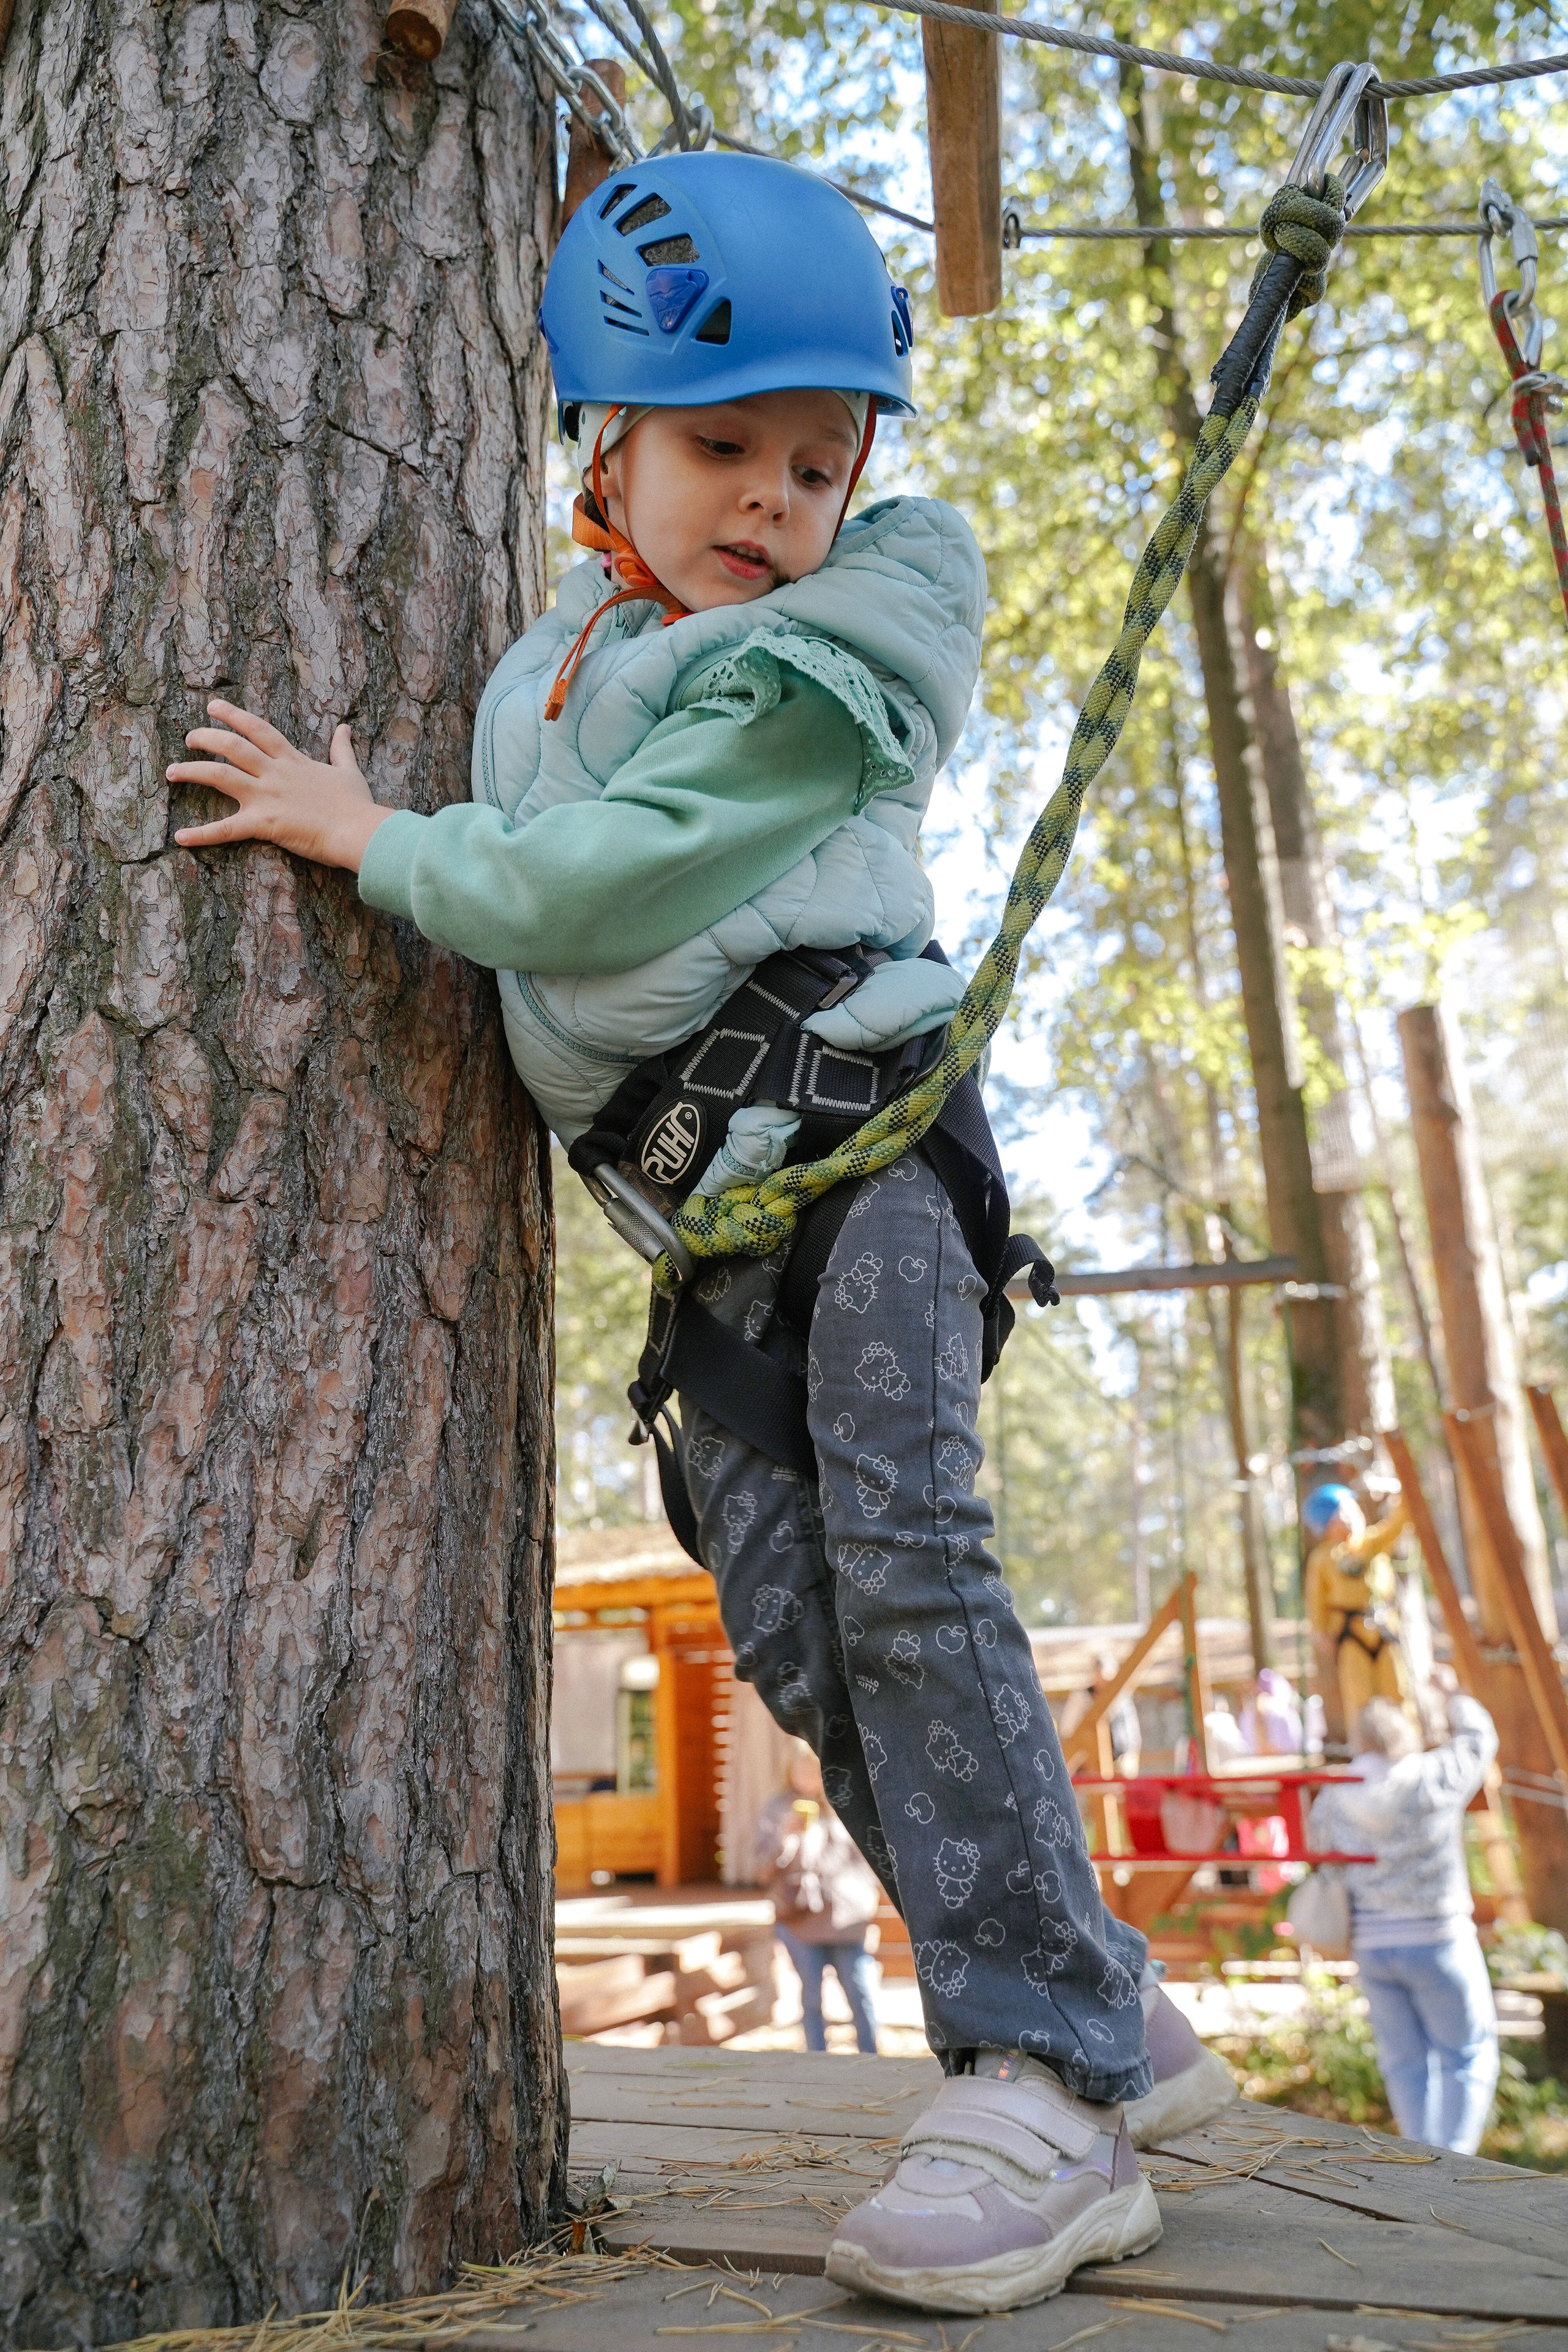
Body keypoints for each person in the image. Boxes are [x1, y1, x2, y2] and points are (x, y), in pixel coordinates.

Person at [168, 150, 1234, 2315]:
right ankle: (1102, 1995)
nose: (774, 500)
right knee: (801, 1633)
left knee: (915, 1571)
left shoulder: (818, 666)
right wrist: (437, 801)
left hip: (864, 1173)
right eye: (723, 447)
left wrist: (374, 833)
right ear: (606, 451)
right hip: (719, 1234)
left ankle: (1042, 2072)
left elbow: (590, 895)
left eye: (817, 464)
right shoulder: (576, 660)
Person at [1310, 1690, 1501, 2153]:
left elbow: (1326, 1864)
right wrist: (1454, 1697)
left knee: (1404, 2062)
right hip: (1438, 1936)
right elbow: (1479, 1739)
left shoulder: (1338, 1795)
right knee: (1468, 2054)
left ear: (1359, 1741)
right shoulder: (1433, 1776)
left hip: (1373, 1943)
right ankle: (1454, 2157)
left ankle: (1421, 2155)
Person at [756, 1742, 883, 2052]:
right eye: (801, 1769)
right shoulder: (778, 1810)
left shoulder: (846, 1805)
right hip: (801, 1920)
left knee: (859, 1993)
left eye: (814, 1768)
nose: (808, 1776)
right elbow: (762, 1870)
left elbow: (871, 1859)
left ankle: (872, 2060)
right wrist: (786, 1838)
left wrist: (867, 1903)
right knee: (811, 1996)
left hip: (846, 1921)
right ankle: (817, 2060)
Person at [1303, 1483, 1412, 1733]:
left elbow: (1398, 1523)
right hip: (1349, 1633)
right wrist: (1320, 1632)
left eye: (1355, 1509)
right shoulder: (1322, 1559)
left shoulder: (1371, 1543)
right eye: (1346, 1511)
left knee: (1397, 1687)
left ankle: (1406, 1741)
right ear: (1329, 1522)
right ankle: (1368, 1750)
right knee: (1359, 1694)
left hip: (1384, 1628)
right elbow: (1316, 1599)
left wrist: (1401, 1493)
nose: (1355, 1515)